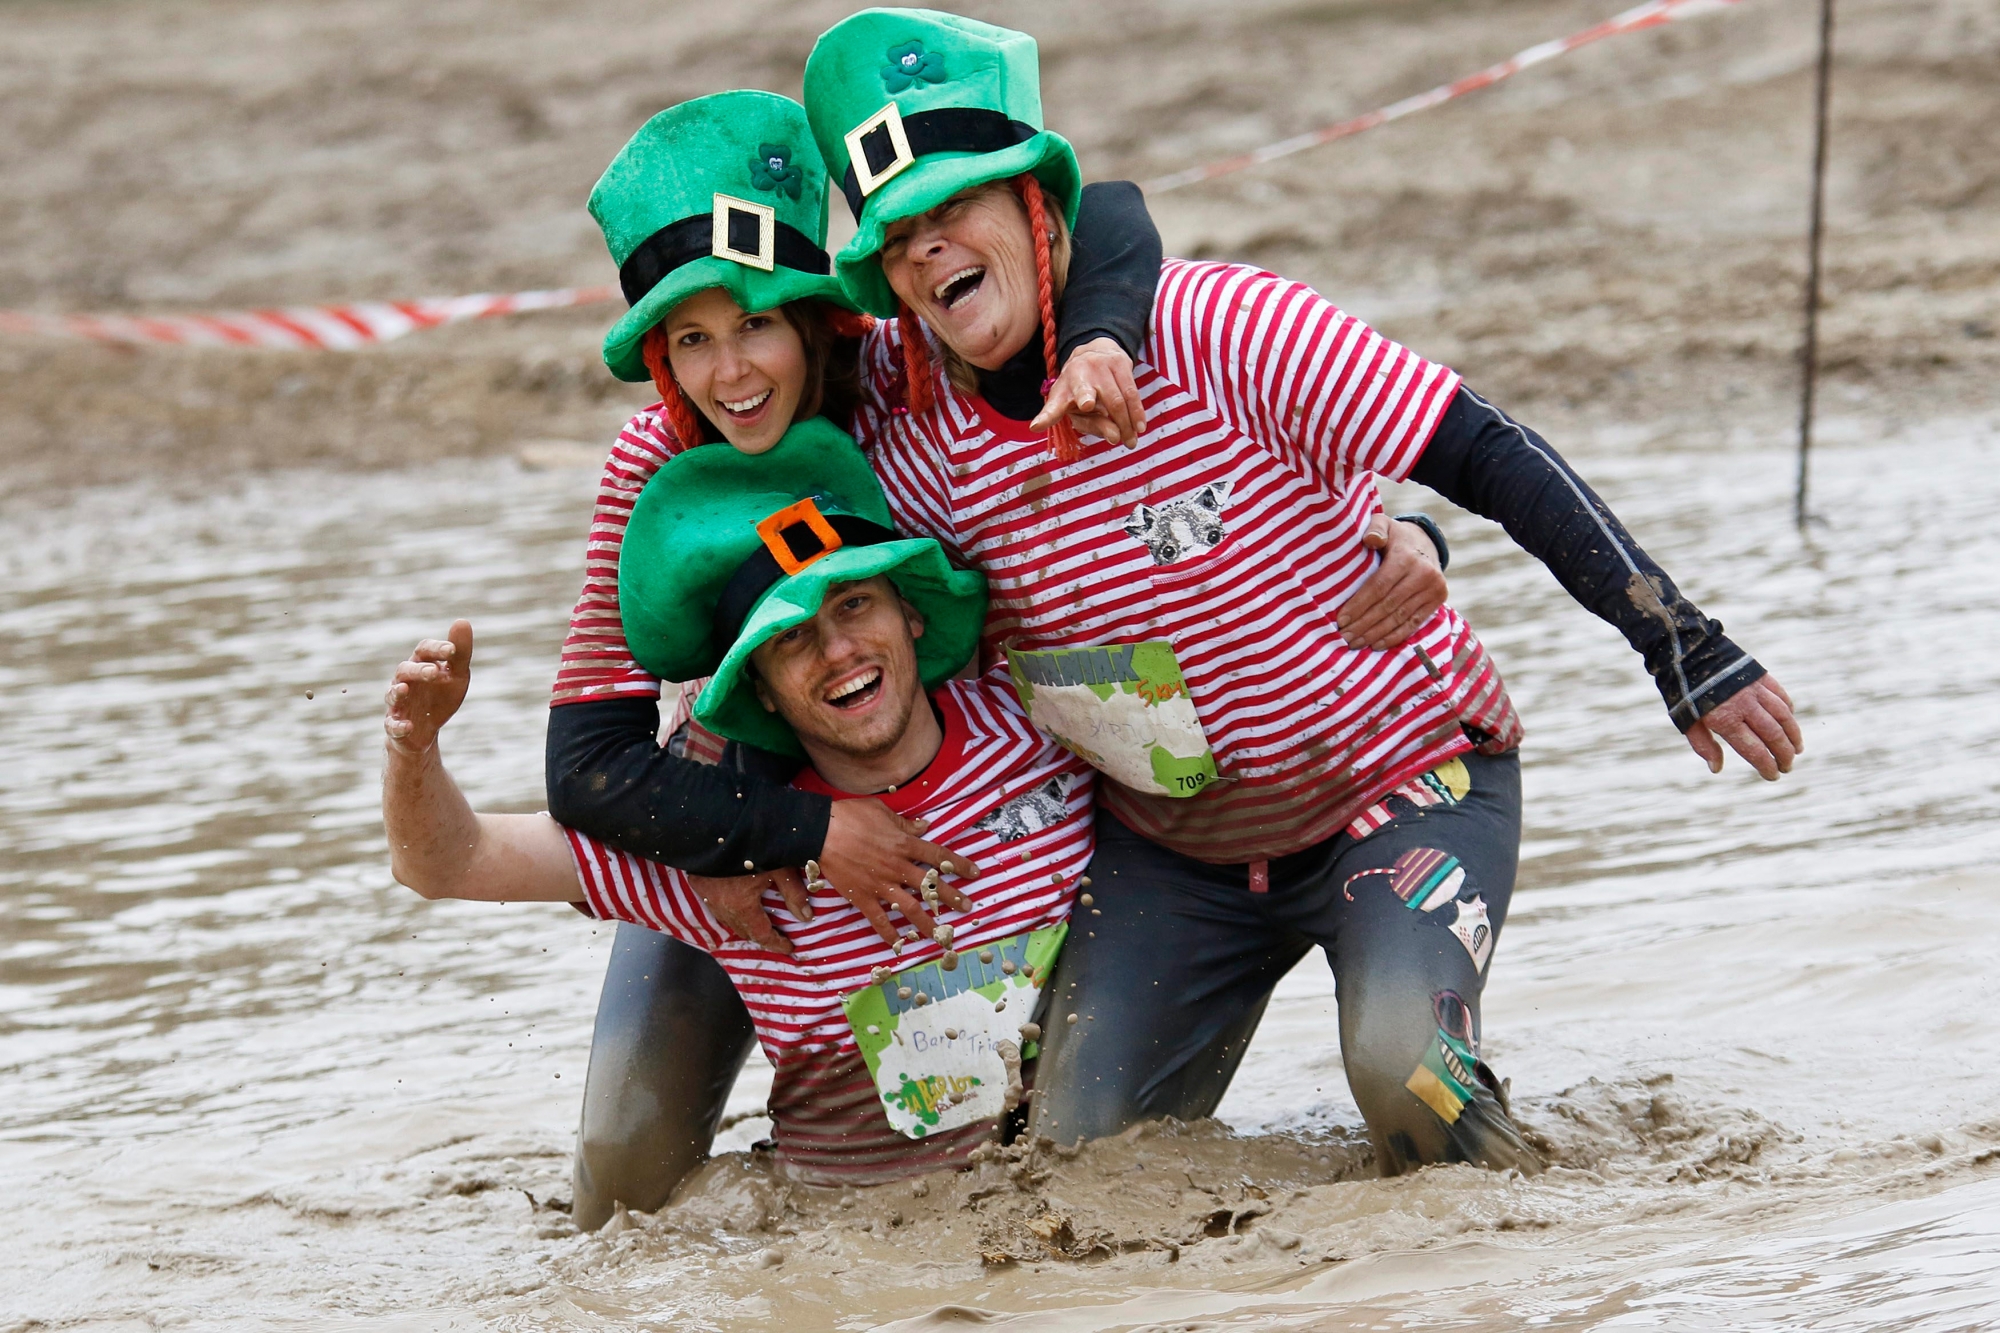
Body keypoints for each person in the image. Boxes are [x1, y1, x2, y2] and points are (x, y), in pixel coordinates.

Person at [784, 8, 1801, 1175]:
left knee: (1404, 1080)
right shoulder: (906, 437)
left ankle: (1528, 1190)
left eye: (953, 206)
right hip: (1170, 855)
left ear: (1034, 205)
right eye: (898, 235)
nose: (926, 249)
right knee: (1068, 1171)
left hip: (1402, 788)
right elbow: (748, 436)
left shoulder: (1223, 325)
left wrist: (1682, 645)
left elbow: (1486, 450)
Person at [548, 81, 1458, 1219]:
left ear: (820, 314)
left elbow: (1112, 223)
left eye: (759, 324)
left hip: (964, 816)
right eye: (691, 342)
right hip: (735, 845)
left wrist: (1402, 521)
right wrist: (763, 828)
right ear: (660, 358)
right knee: (619, 1171)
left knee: (1022, 1175)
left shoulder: (908, 379)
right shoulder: (648, 467)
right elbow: (581, 767)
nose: (733, 375)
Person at [384, 428, 1095, 1183]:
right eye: (791, 640)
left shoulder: (1047, 730)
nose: (838, 650)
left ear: (913, 614)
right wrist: (412, 750)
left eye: (854, 604)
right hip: (841, 1229)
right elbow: (443, 863)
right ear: (758, 689)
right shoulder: (733, 857)